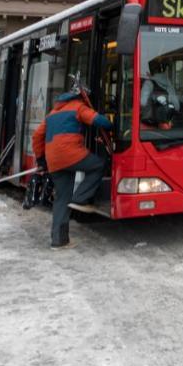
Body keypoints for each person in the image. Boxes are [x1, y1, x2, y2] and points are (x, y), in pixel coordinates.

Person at [32, 87, 113, 249]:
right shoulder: (78, 107)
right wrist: (111, 124)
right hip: (71, 154)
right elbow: (99, 121)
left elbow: (36, 136)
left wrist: (41, 160)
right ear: (78, 98)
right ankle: (81, 198)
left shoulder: (51, 114)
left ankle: (59, 241)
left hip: (53, 160)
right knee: (98, 165)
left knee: (62, 199)